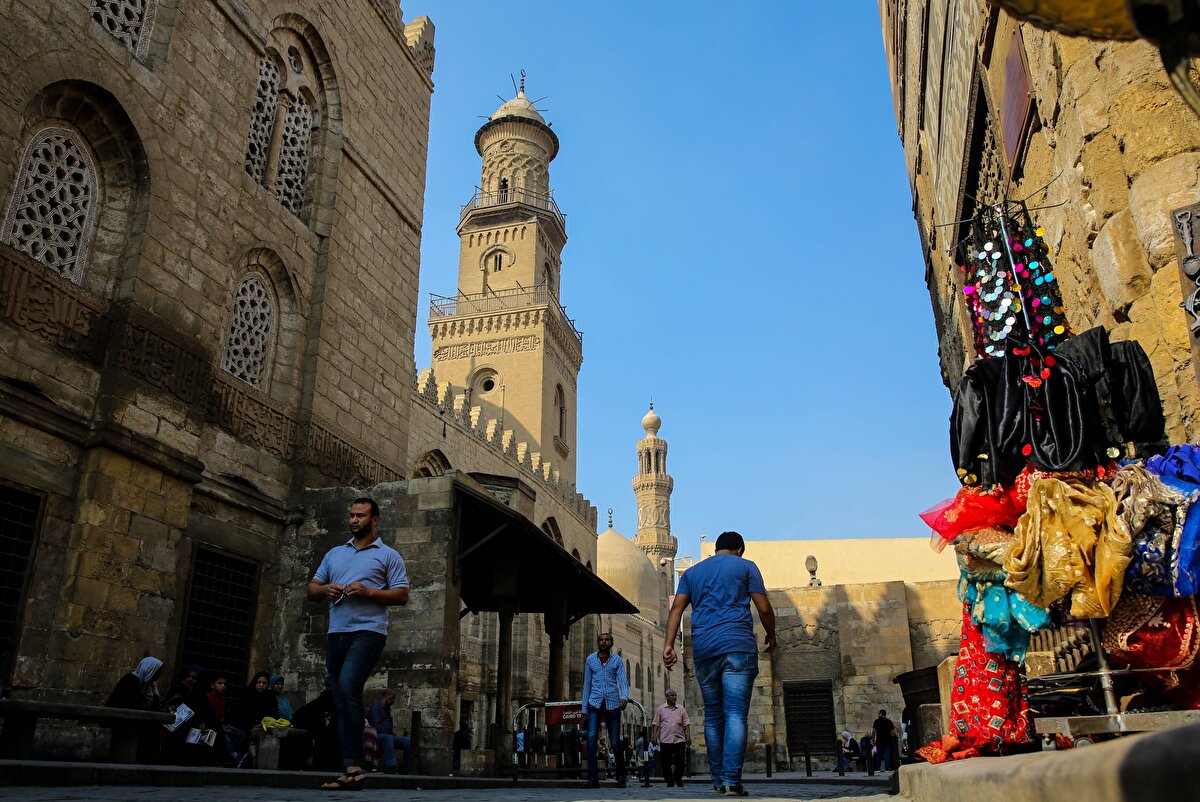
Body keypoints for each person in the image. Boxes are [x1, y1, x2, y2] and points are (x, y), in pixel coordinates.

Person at [307, 496, 410, 791]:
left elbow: (402, 595)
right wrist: (326, 589)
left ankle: (354, 765)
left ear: (374, 520)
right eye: (352, 515)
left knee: (349, 685)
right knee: (341, 698)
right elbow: (312, 589)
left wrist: (368, 592)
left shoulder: (388, 555)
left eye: (360, 515)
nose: (354, 520)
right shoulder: (334, 554)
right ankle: (350, 769)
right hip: (336, 633)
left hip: (368, 633)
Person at [664, 530, 776, 797]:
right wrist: (772, 635)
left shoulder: (692, 573)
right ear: (740, 550)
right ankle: (731, 781)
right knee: (735, 714)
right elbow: (763, 608)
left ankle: (717, 780)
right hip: (737, 646)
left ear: (715, 550)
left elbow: (676, 609)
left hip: (704, 650)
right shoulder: (746, 567)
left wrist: (668, 645)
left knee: (713, 716)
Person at [581, 631, 629, 788]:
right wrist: (584, 710)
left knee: (615, 742)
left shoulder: (617, 660)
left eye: (607, 640)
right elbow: (587, 684)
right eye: (601, 639)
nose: (604, 642)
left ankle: (621, 777)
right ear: (598, 642)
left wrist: (624, 697)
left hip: (612, 703)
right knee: (591, 739)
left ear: (611, 643)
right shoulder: (590, 660)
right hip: (594, 703)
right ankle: (592, 778)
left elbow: (622, 680)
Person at [651, 688, 691, 787]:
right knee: (666, 762)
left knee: (680, 761)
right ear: (667, 697)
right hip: (665, 740)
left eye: (675, 695)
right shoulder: (661, 709)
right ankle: (669, 780)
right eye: (672, 695)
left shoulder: (681, 709)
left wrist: (688, 737)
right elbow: (656, 723)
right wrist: (654, 736)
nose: (674, 697)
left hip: (679, 739)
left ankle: (678, 778)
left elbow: (686, 723)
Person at [367, 688, 412, 773]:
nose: (393, 701)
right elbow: (376, 726)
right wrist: (387, 731)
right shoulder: (376, 708)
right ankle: (391, 766)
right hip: (376, 736)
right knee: (388, 738)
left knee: (408, 741)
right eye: (392, 698)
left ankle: (408, 768)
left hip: (388, 735)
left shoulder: (387, 709)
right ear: (386, 696)